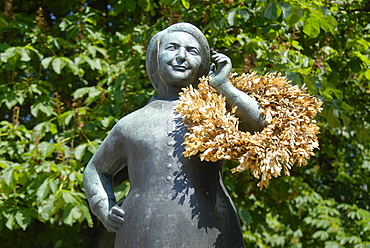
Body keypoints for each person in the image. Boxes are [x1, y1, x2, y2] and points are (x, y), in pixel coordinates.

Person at [83, 22, 265, 248]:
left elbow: (260, 125)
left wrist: (224, 87)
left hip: (210, 227)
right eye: (172, 48)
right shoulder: (129, 124)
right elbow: (96, 169)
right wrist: (104, 206)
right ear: (155, 58)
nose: (181, 56)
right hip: (140, 229)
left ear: (202, 65)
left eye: (192, 51)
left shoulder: (216, 113)